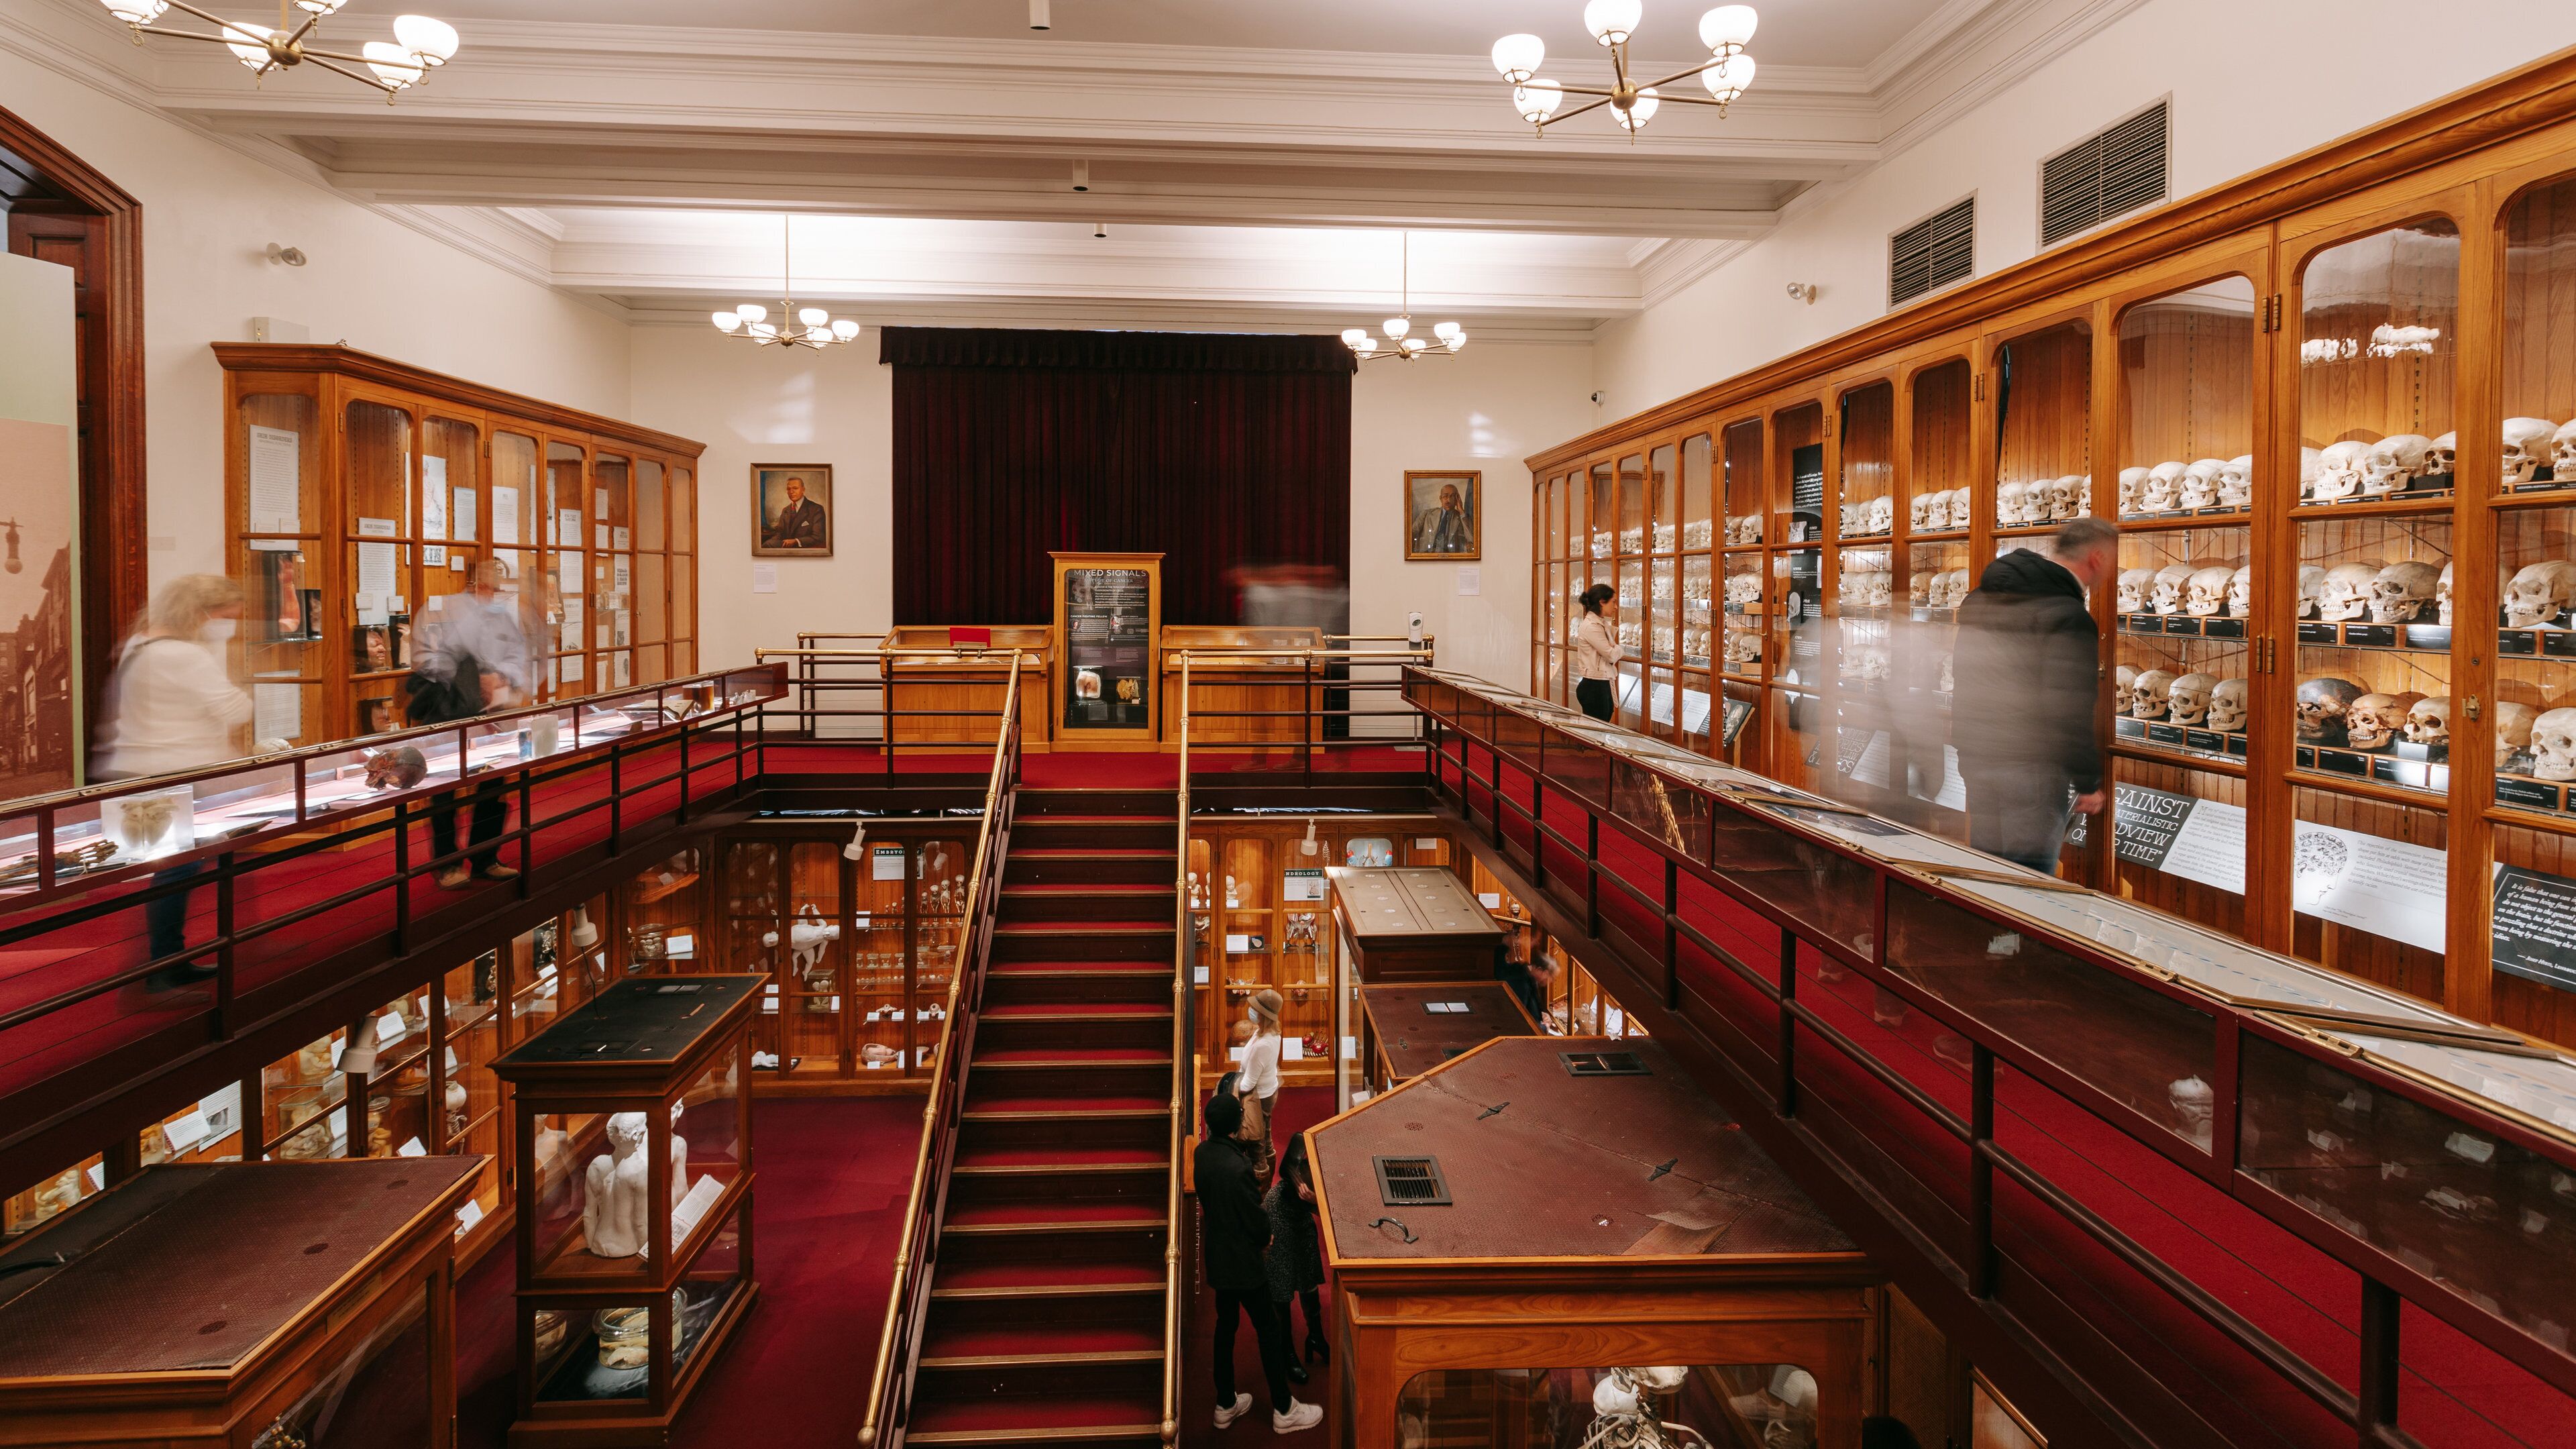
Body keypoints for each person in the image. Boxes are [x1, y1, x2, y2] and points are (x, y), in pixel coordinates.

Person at [95, 574, 254, 989]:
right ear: (200, 612)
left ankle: (167, 958)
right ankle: (164, 964)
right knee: (176, 872)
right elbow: (234, 709)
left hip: (140, 767)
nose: (228, 627)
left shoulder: (139, 645)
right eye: (224, 617)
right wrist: (243, 691)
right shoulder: (184, 655)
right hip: (176, 772)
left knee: (174, 869)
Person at [1951, 517, 2116, 874]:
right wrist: (2087, 781)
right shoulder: (2068, 616)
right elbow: (2067, 706)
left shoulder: (1981, 599)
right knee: (2028, 884)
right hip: (2030, 768)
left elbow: (1963, 675)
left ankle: (1989, 932)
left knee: (1988, 871)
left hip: (1977, 756)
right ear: (2098, 558)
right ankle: (2013, 933)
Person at [1197, 1088, 1321, 1434]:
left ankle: (1225, 1403)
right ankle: (1284, 1408)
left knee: (1225, 1328)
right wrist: (1265, 1237)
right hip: (1246, 1267)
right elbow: (1255, 1219)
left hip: (1218, 1260)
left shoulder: (1202, 1153)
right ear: (1237, 1126)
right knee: (1268, 1330)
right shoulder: (1239, 1167)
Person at [411, 558, 533, 888]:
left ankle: (485, 858)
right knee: (445, 790)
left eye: (497, 582)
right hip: (449, 712)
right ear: (471, 581)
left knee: (493, 787)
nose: (491, 588)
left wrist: (501, 675)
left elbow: (518, 656)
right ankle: (447, 865)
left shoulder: (502, 616)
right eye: (486, 580)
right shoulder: (439, 610)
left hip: (492, 715)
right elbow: (424, 657)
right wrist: (469, 676)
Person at [1262, 1134, 1330, 1373]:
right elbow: (1285, 1166)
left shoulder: (1340, 1171)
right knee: (1281, 1287)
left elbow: (1333, 1213)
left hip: (1302, 1219)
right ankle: (1286, 1351)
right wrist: (1299, 1182)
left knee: (1308, 1280)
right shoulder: (1306, 1139)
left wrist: (1317, 1199)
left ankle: (1316, 1338)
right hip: (1280, 1212)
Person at [1238, 989, 1285, 1181]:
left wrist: (1231, 1086)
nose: (1251, 1010)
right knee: (1265, 1136)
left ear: (1263, 1015)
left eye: (1255, 1009)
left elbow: (1249, 1082)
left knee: (1257, 1142)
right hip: (1267, 1090)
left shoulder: (1263, 1044)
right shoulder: (1267, 1033)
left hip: (1258, 1096)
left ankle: (1261, 1183)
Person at [1571, 583, 1619, 721]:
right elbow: (1611, 654)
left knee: (1602, 725)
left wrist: (1615, 649)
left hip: (1601, 683)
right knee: (1596, 731)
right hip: (1595, 686)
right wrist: (1618, 650)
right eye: (1613, 602)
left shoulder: (1600, 624)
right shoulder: (1592, 627)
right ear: (1602, 602)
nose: (1615, 607)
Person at [762, 474, 827, 549]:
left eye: (795, 488)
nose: (791, 492)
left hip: (806, 549)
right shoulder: (786, 510)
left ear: (803, 490)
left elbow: (819, 537)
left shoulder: (816, 509)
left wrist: (796, 541)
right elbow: (780, 534)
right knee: (767, 545)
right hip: (786, 549)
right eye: (788, 489)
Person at [1411, 480, 1475, 555]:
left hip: (1450, 559)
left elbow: (1474, 539)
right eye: (1445, 496)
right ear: (1441, 498)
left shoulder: (1462, 518)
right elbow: (1411, 534)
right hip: (1426, 557)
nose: (1448, 500)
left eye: (1452, 496)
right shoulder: (1427, 514)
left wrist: (1461, 510)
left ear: (1457, 499)